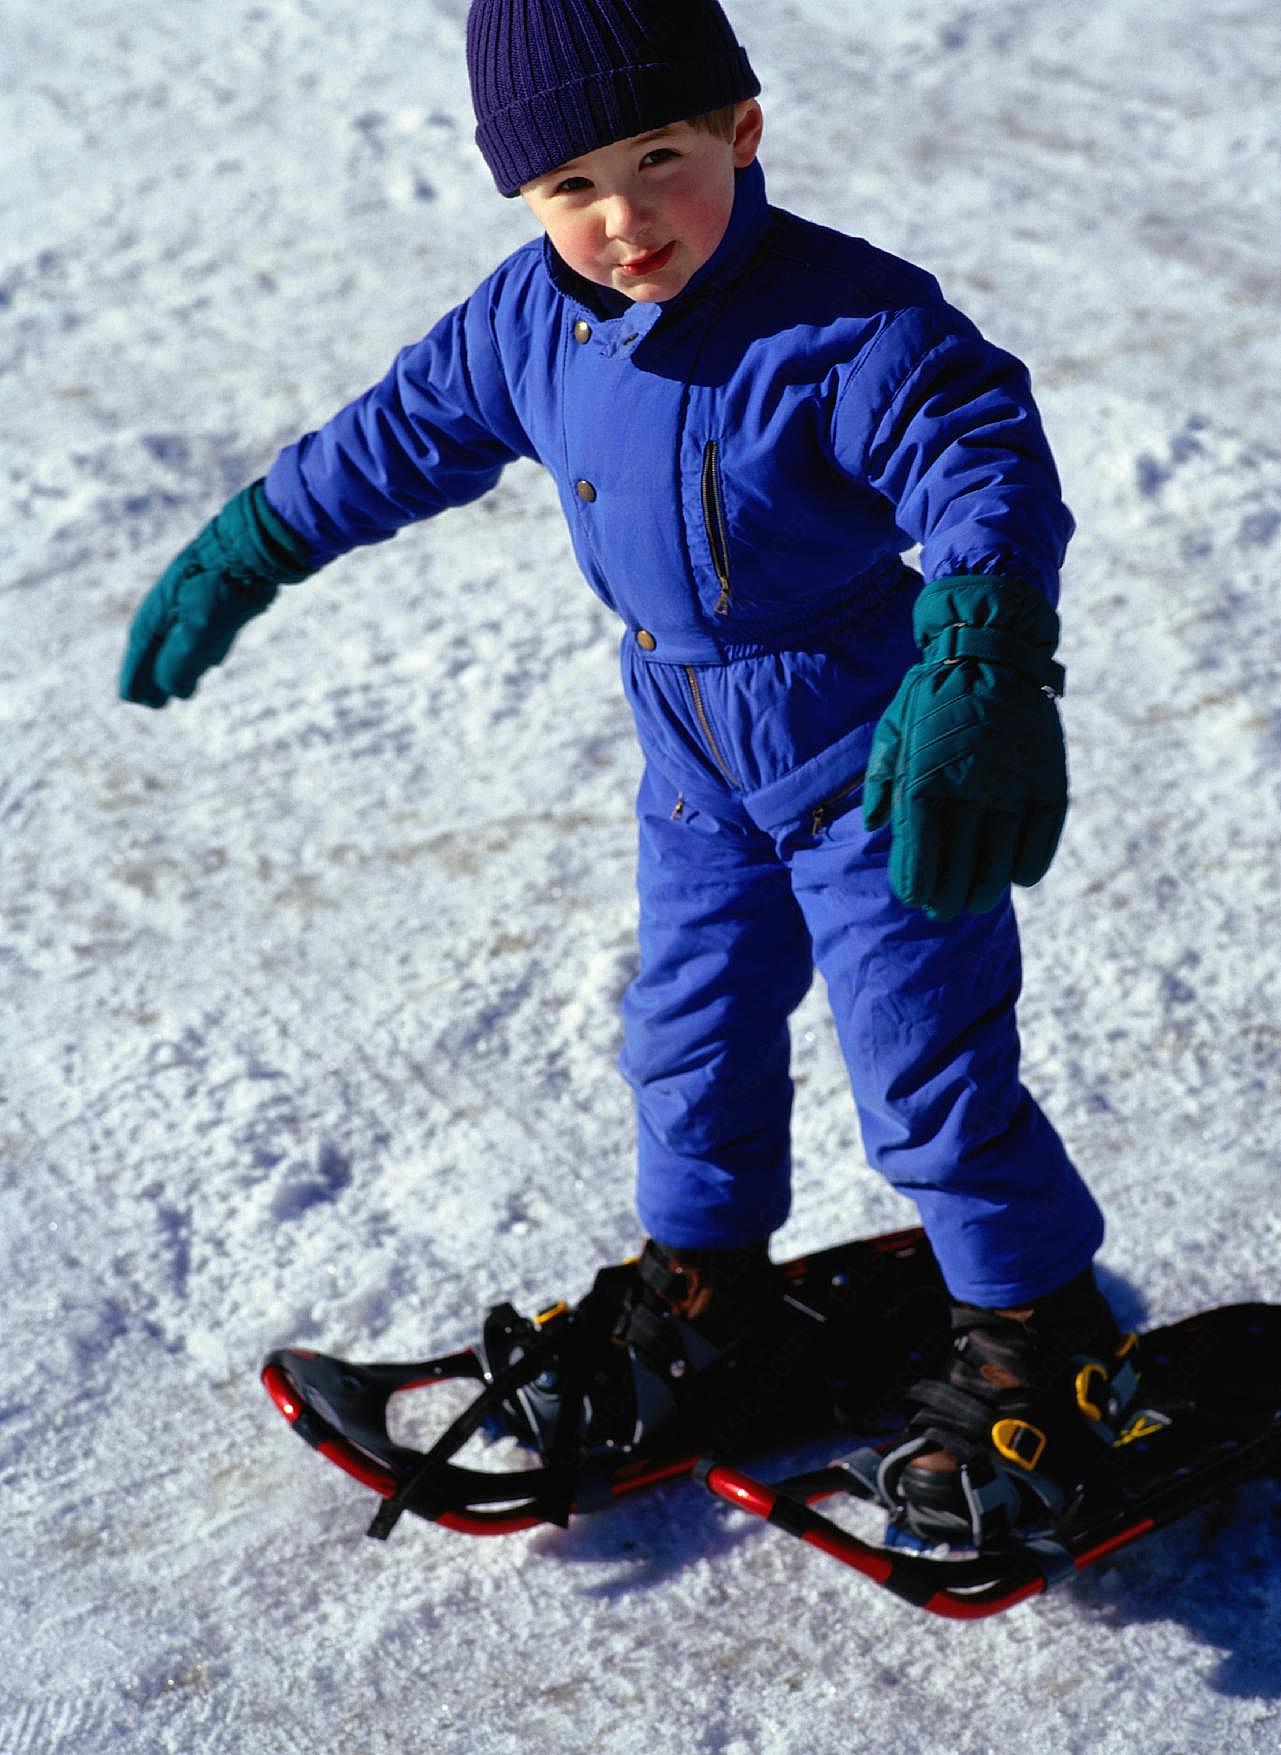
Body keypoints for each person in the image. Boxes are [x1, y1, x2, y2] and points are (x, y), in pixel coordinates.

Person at [119, 0, 1140, 1548]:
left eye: (659, 157)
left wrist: (981, 651)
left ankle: (1039, 1339)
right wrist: (246, 544)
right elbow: (393, 436)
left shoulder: (849, 323)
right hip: (690, 752)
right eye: (570, 186)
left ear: (740, 129)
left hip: (871, 744)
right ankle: (705, 1300)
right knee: (685, 1029)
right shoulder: (526, 320)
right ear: (521, 199)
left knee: (922, 1060)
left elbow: (976, 453)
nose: (623, 218)